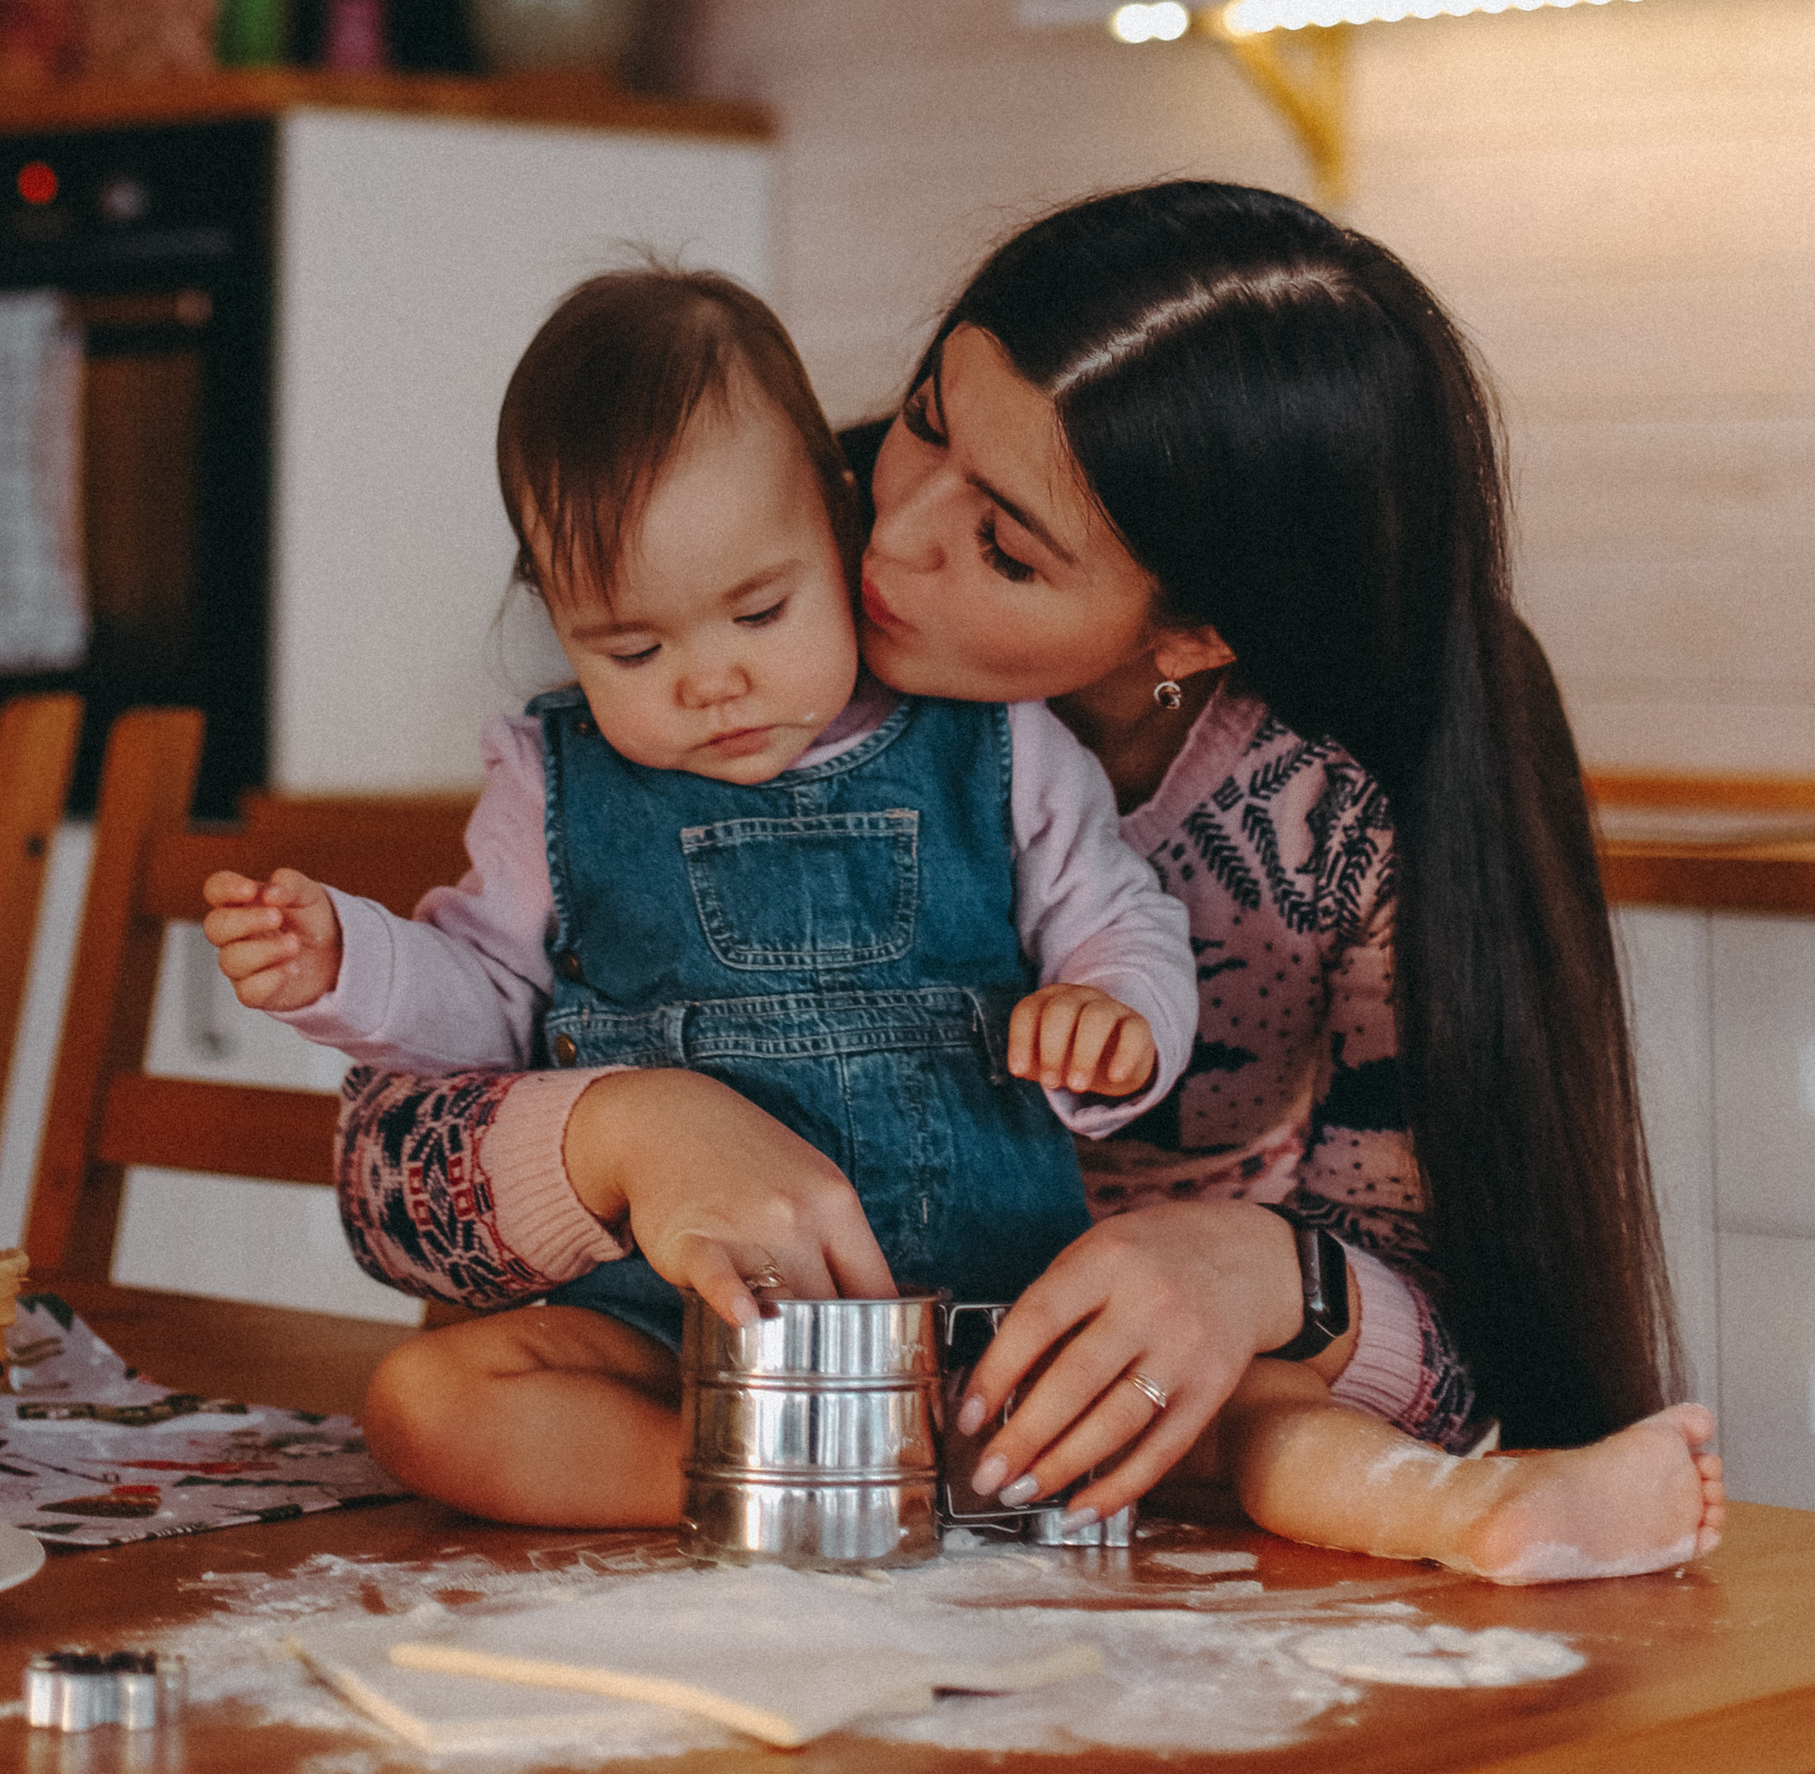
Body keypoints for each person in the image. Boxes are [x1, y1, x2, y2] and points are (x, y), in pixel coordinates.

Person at [330, 184, 1724, 1586]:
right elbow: (385, 1183)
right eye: (929, 417)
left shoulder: (1351, 801)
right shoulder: (744, 607)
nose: (895, 534)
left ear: (1194, 623)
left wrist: (1259, 1277)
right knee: (452, 1395)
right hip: (764, 1434)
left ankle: (1474, 1521)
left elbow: (1477, 1355)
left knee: (1274, 1428)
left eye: (1004, 545)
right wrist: (630, 1136)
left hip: (1138, 1472)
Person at [204, 266, 1202, 1526]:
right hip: (665, 1336)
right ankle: (762, 1485)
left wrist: (1119, 1013)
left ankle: (904, 1470)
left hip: (969, 1326)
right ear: (561, 627)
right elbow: (483, 1011)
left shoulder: (995, 746)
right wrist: (348, 957)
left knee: (1153, 1411)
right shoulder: (549, 783)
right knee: (424, 1399)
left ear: (837, 526)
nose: (710, 682)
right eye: (634, 649)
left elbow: (1121, 917)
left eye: (759, 610)